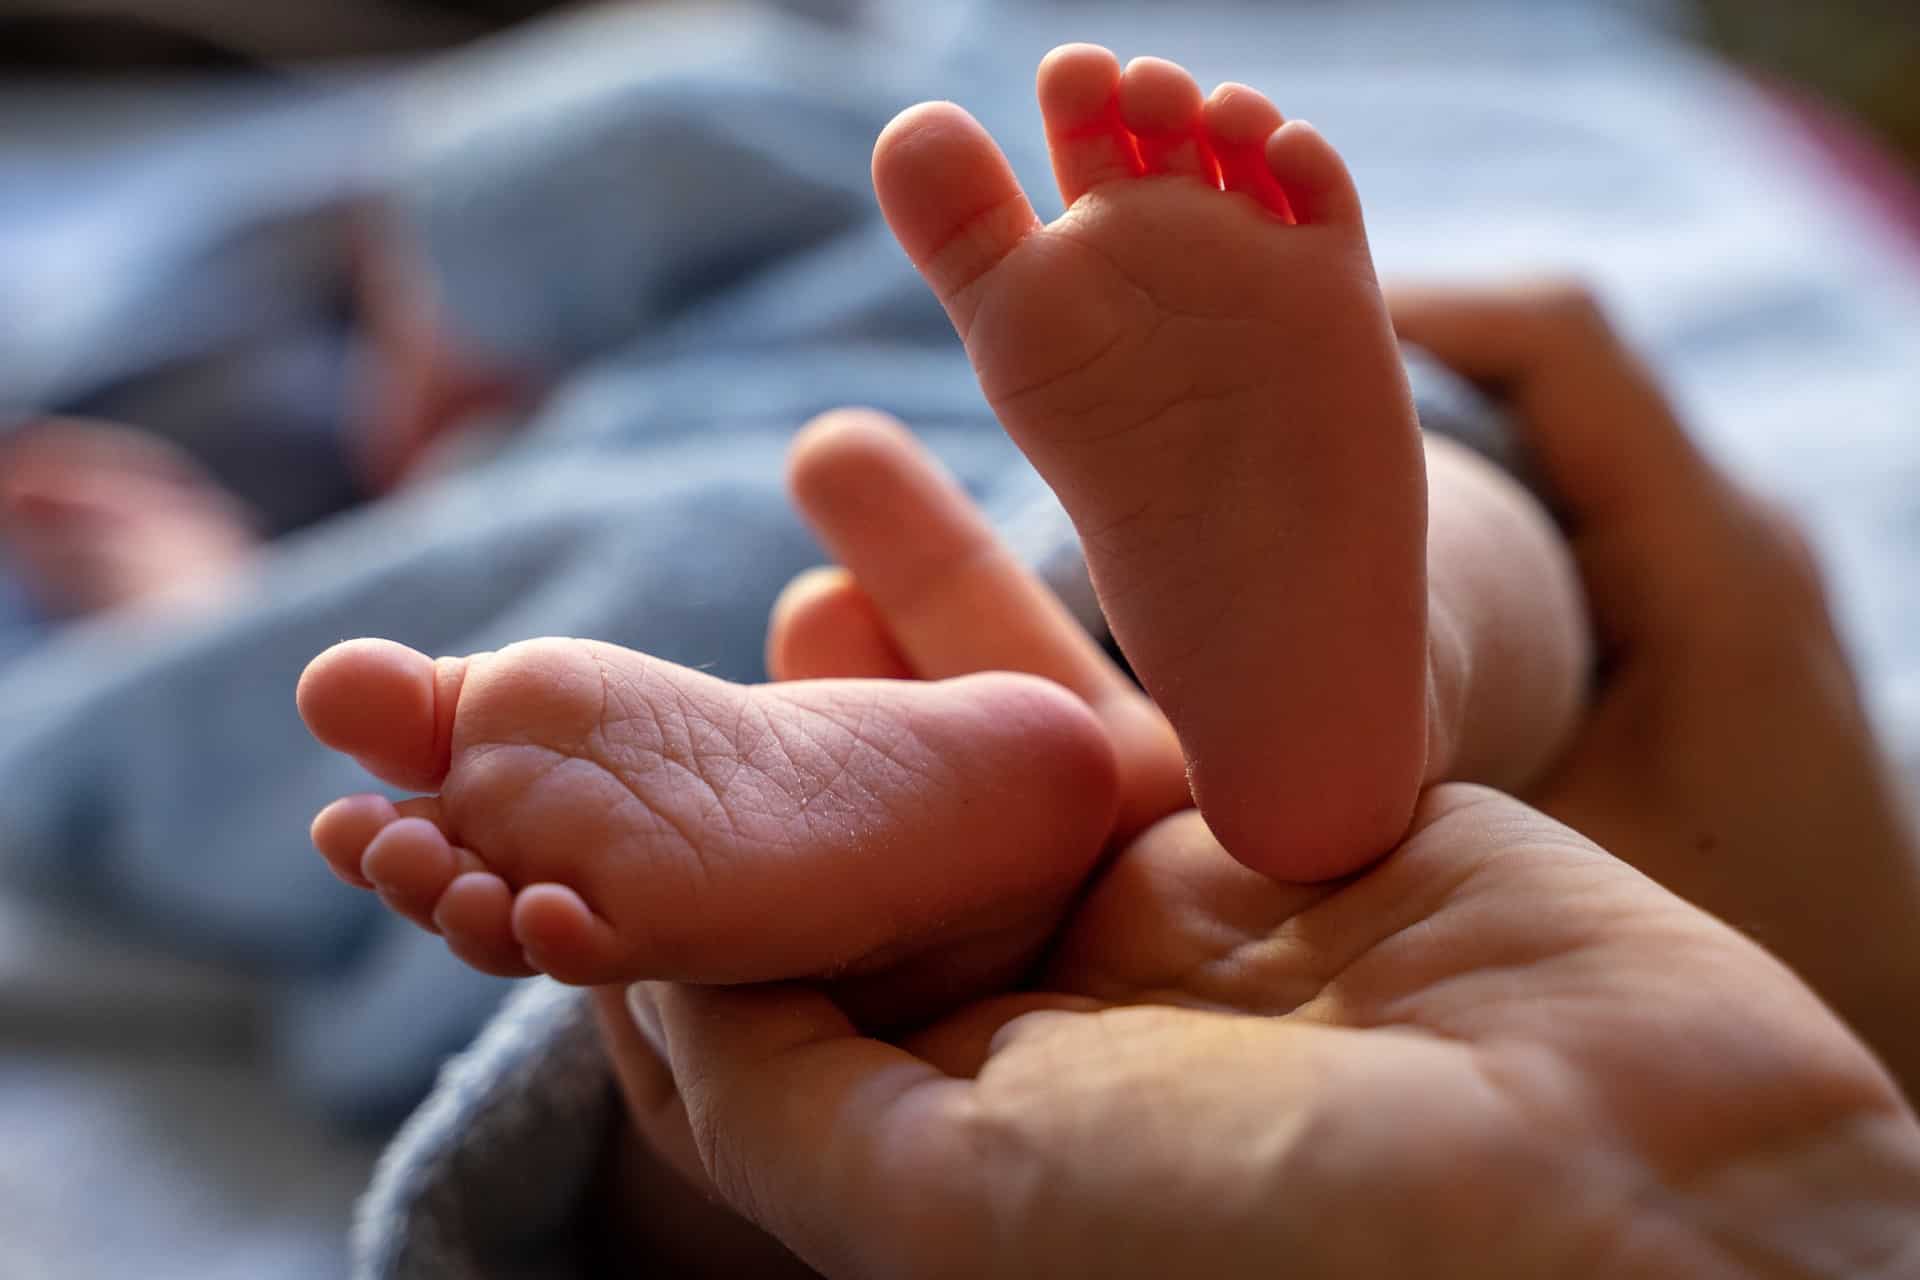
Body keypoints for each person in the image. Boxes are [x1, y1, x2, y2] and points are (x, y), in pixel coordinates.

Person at [301, 46, 1920, 1275]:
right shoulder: (1082, 286)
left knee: (677, 1011)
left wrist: (209, 581)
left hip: (958, 584)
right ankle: (1374, 690)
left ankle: (915, 944)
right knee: (1484, 499)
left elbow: (179, 735)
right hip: (1552, 873)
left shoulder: (753, 281)